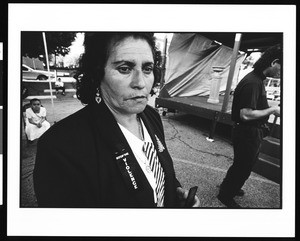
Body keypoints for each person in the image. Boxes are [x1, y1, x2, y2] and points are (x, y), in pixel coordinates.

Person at [33, 32, 200, 208]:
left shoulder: (151, 116)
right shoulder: (60, 146)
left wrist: (174, 195)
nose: (140, 82)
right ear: (97, 73)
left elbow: (159, 170)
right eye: (124, 69)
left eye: (147, 69)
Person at [217, 44, 282, 208]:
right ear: (274, 62)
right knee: (244, 167)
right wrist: (272, 109)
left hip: (250, 132)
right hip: (247, 132)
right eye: (282, 68)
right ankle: (226, 196)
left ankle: (228, 186)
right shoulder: (253, 82)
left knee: (242, 164)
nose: (282, 73)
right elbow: (245, 114)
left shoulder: (257, 79)